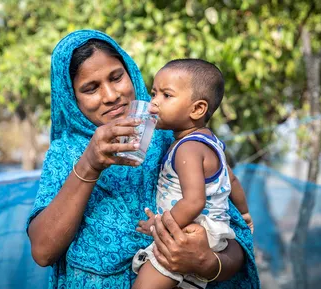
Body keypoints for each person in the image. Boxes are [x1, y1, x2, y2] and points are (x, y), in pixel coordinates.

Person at [26, 30, 260, 289]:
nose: (111, 95)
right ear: (71, 99)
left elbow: (233, 235)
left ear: (130, 73)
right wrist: (89, 164)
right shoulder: (65, 154)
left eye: (117, 77)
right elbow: (43, 251)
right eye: (91, 88)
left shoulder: (174, 138)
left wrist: (206, 263)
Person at [131, 59, 253, 289]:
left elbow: (194, 201)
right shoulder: (210, 144)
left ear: (198, 109)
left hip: (187, 235)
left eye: (166, 96)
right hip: (210, 234)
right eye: (154, 93)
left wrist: (158, 227)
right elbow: (232, 180)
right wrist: (245, 214)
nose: (154, 103)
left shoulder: (187, 148)